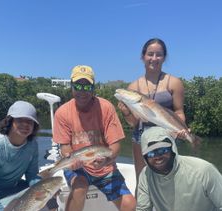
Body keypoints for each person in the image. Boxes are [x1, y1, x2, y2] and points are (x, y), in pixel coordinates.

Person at [53, 65, 136, 211]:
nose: (82, 91)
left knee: (130, 205)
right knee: (80, 187)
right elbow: (65, 147)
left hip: (105, 167)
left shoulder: (106, 108)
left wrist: (106, 160)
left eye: (87, 87)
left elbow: (115, 146)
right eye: (78, 85)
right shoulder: (62, 113)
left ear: (93, 87)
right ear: (72, 86)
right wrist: (69, 159)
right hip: (78, 168)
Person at [118, 38, 188, 192]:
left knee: (169, 182)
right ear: (143, 56)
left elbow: (179, 112)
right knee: (141, 181)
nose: (154, 58)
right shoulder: (133, 87)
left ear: (164, 57)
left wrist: (180, 129)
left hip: (166, 137)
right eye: (150, 54)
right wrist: (126, 112)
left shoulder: (174, 83)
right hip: (141, 137)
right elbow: (133, 123)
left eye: (159, 55)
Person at [136, 126, 222, 211]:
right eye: (151, 153)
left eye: (162, 150)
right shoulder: (146, 175)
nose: (158, 157)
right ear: (145, 157)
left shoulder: (203, 170)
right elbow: (143, 209)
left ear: (172, 148)